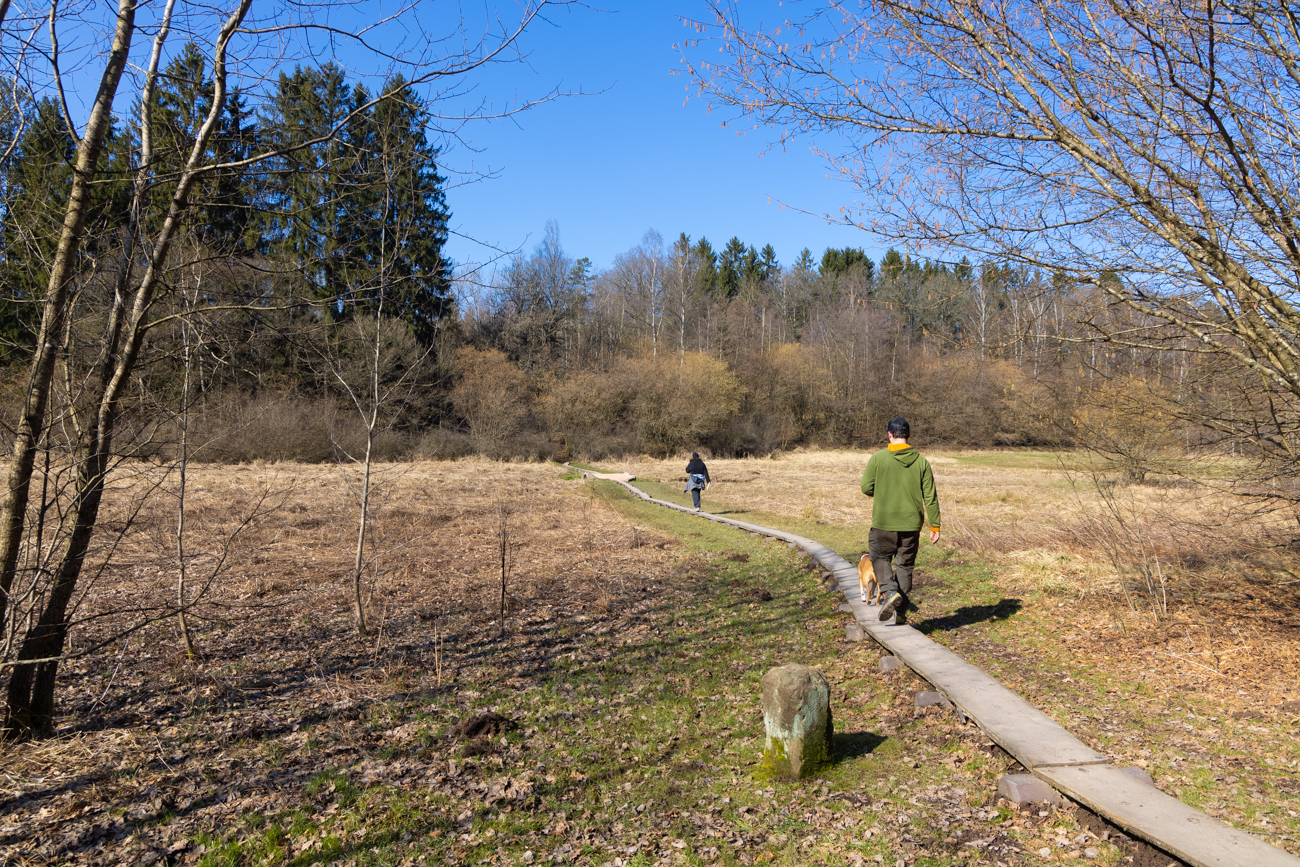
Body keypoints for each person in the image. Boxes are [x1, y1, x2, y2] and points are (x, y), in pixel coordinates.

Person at [860, 417, 941, 623]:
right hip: (911, 525)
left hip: (883, 523)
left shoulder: (878, 458)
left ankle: (889, 591)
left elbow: (866, 487)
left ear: (889, 434)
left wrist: (884, 490)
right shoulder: (922, 461)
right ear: (909, 436)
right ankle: (901, 612)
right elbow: (930, 496)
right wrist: (935, 525)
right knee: (904, 566)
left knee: (880, 558)